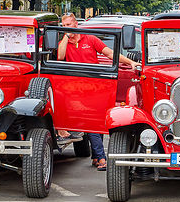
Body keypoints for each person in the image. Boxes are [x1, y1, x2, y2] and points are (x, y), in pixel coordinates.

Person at [57, 13, 141, 170]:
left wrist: (131, 62)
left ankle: (98, 156)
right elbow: (60, 57)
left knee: (95, 119)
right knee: (91, 120)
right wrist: (66, 37)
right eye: (64, 26)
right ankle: (100, 157)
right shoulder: (65, 42)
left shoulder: (90, 39)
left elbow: (109, 53)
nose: (67, 28)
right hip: (75, 88)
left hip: (94, 85)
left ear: (76, 24)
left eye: (69, 25)